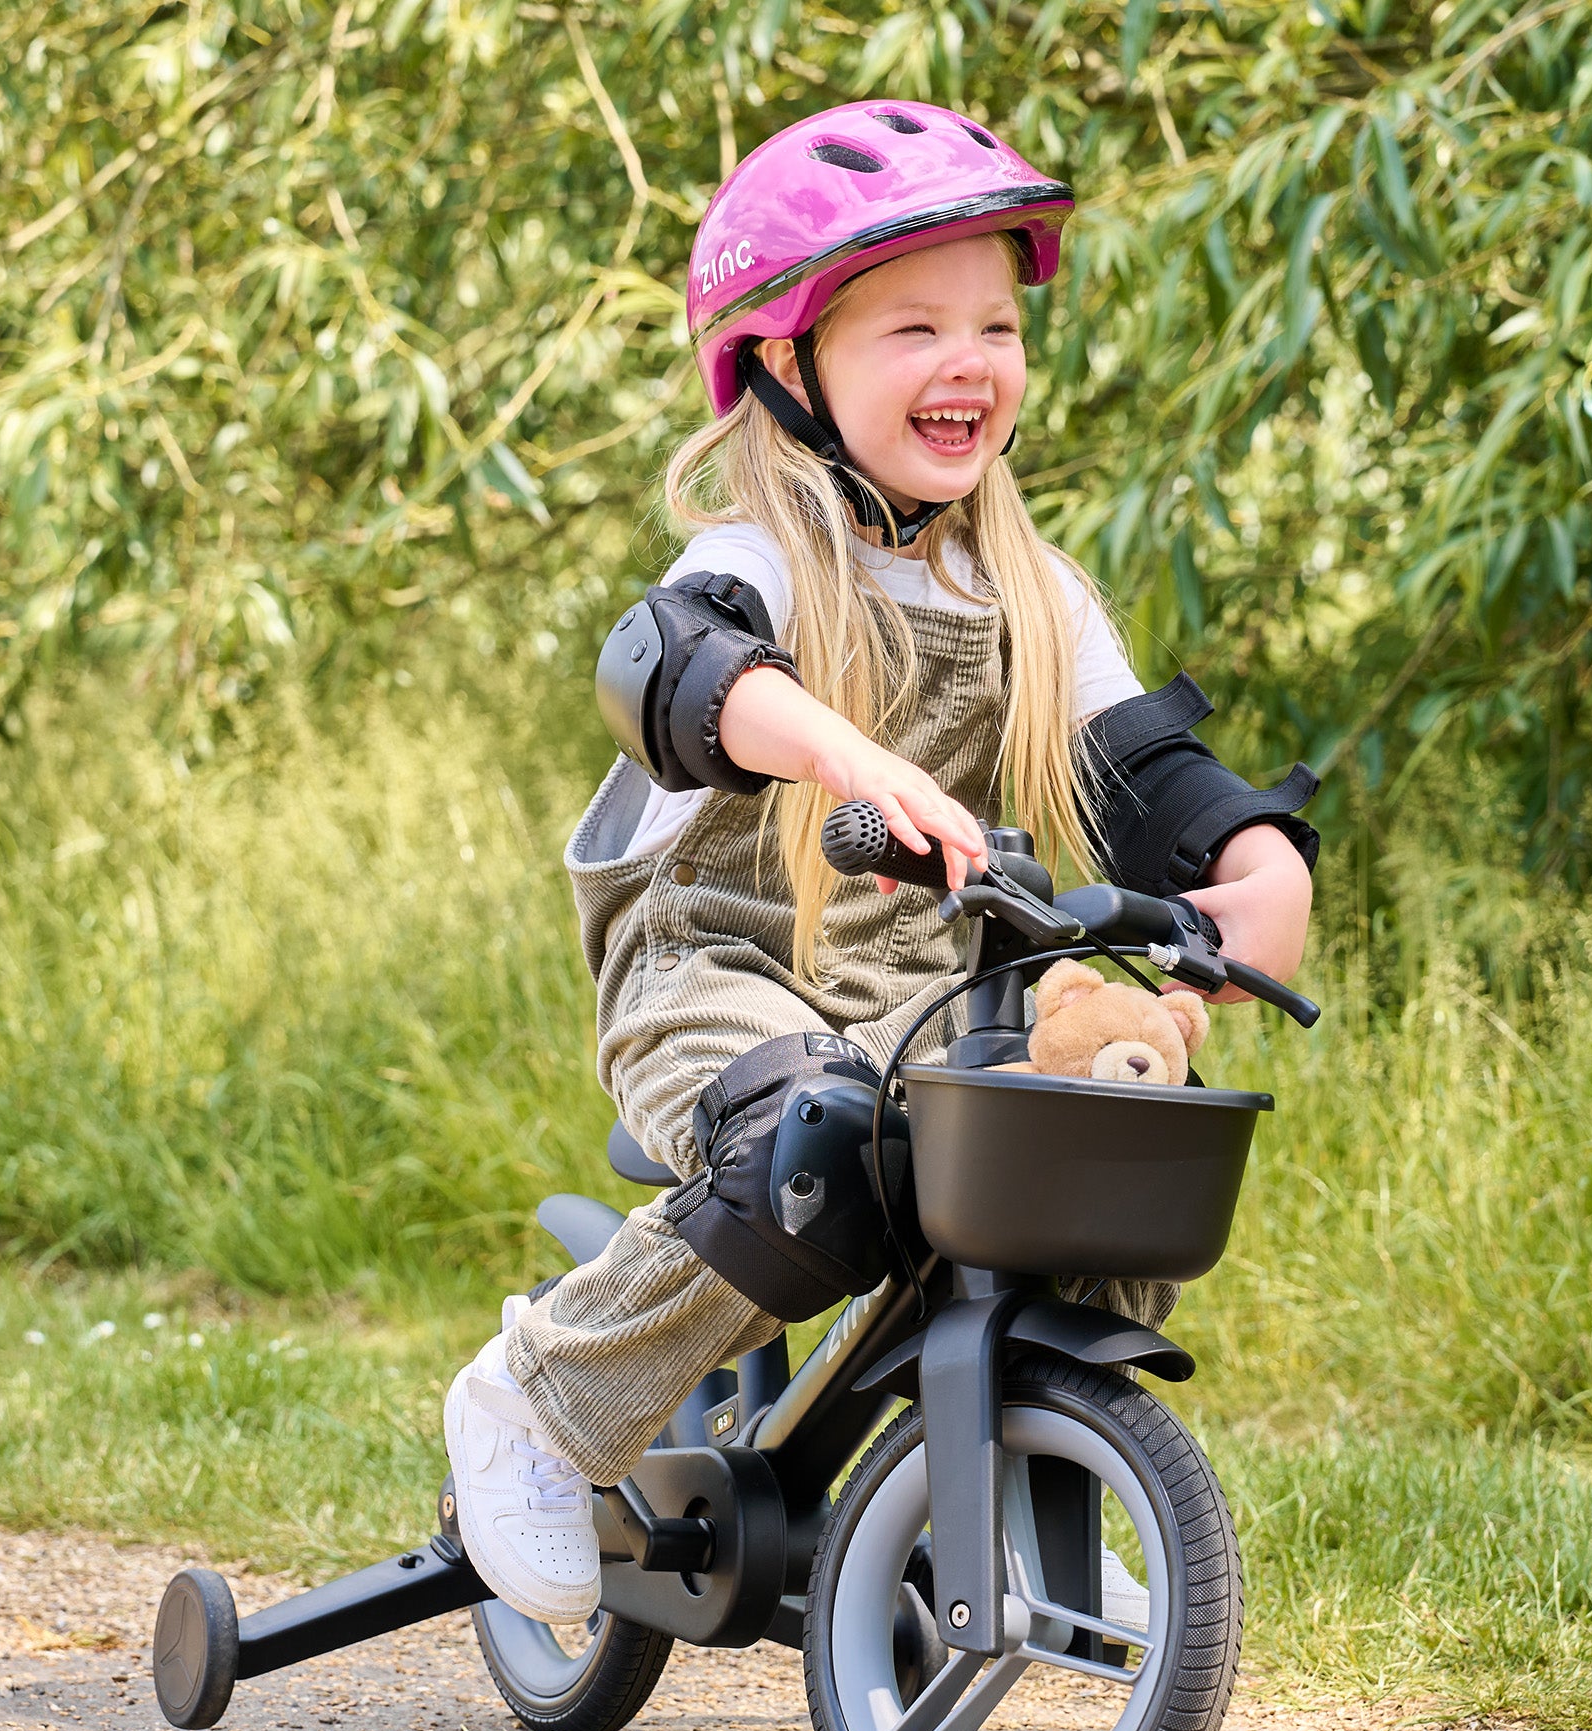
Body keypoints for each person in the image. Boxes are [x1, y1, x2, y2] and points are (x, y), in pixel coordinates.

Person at [444, 102, 1318, 1625]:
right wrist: (848, 755)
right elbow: (678, 667)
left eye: (995, 326)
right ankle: (541, 1396)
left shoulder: (1029, 589)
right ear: (789, 365)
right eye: (914, 328)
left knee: (1110, 1127)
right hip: (717, 964)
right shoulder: (763, 557)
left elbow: (1144, 774)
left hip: (925, 989)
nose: (968, 360)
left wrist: (1258, 865)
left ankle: (1029, 1481)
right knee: (815, 1137)